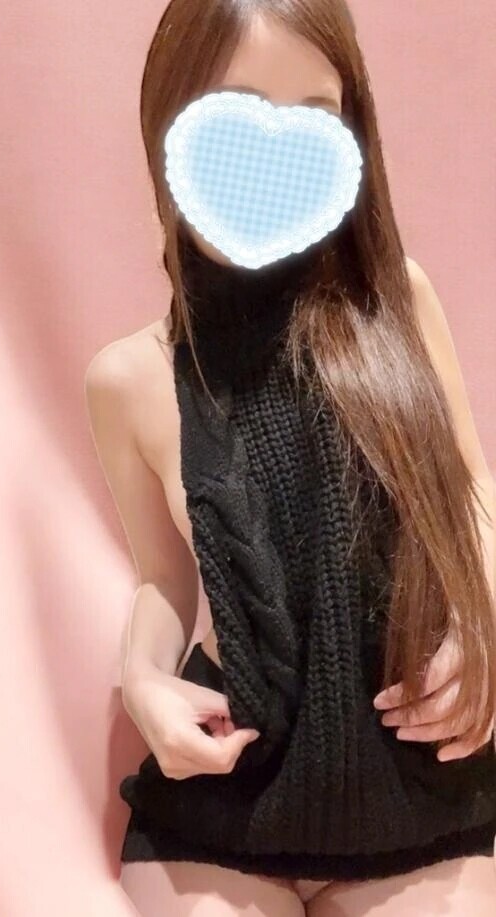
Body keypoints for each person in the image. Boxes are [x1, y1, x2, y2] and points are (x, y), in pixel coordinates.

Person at [85, 1, 496, 913]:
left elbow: (471, 483)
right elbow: (163, 578)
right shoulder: (129, 378)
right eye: (234, 118)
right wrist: (142, 680)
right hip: (227, 789)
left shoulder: (398, 303)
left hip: (418, 777)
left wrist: (484, 622)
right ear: (168, 127)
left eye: (316, 117)